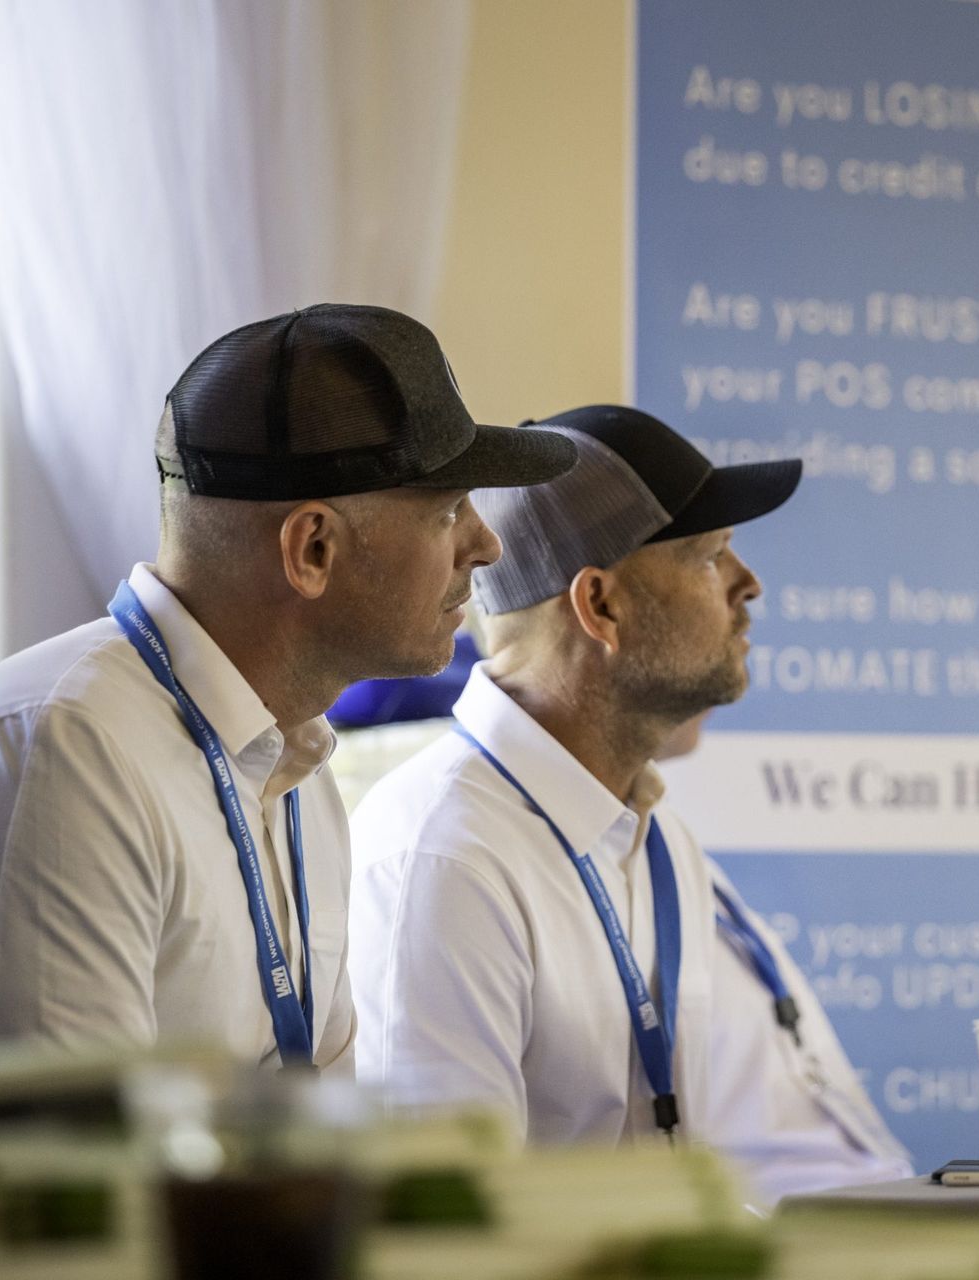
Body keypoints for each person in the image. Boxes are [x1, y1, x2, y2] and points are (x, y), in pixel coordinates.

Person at [0, 304, 576, 1075]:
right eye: (448, 511)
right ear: (312, 549)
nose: (485, 545)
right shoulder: (62, 754)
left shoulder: (296, 772)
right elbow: (78, 1170)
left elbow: (325, 1129)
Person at [349, 404, 913, 1203]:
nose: (748, 584)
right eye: (709, 555)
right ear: (601, 606)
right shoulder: (444, 858)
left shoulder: (657, 840)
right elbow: (449, 1229)